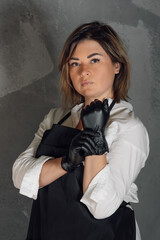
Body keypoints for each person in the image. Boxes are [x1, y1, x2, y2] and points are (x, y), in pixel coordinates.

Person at [12, 21, 149, 240]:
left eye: (94, 60)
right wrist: (67, 162)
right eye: (75, 63)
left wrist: (95, 139)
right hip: (48, 230)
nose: (84, 71)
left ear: (117, 65)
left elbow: (102, 207)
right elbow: (20, 175)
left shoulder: (129, 128)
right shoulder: (57, 117)